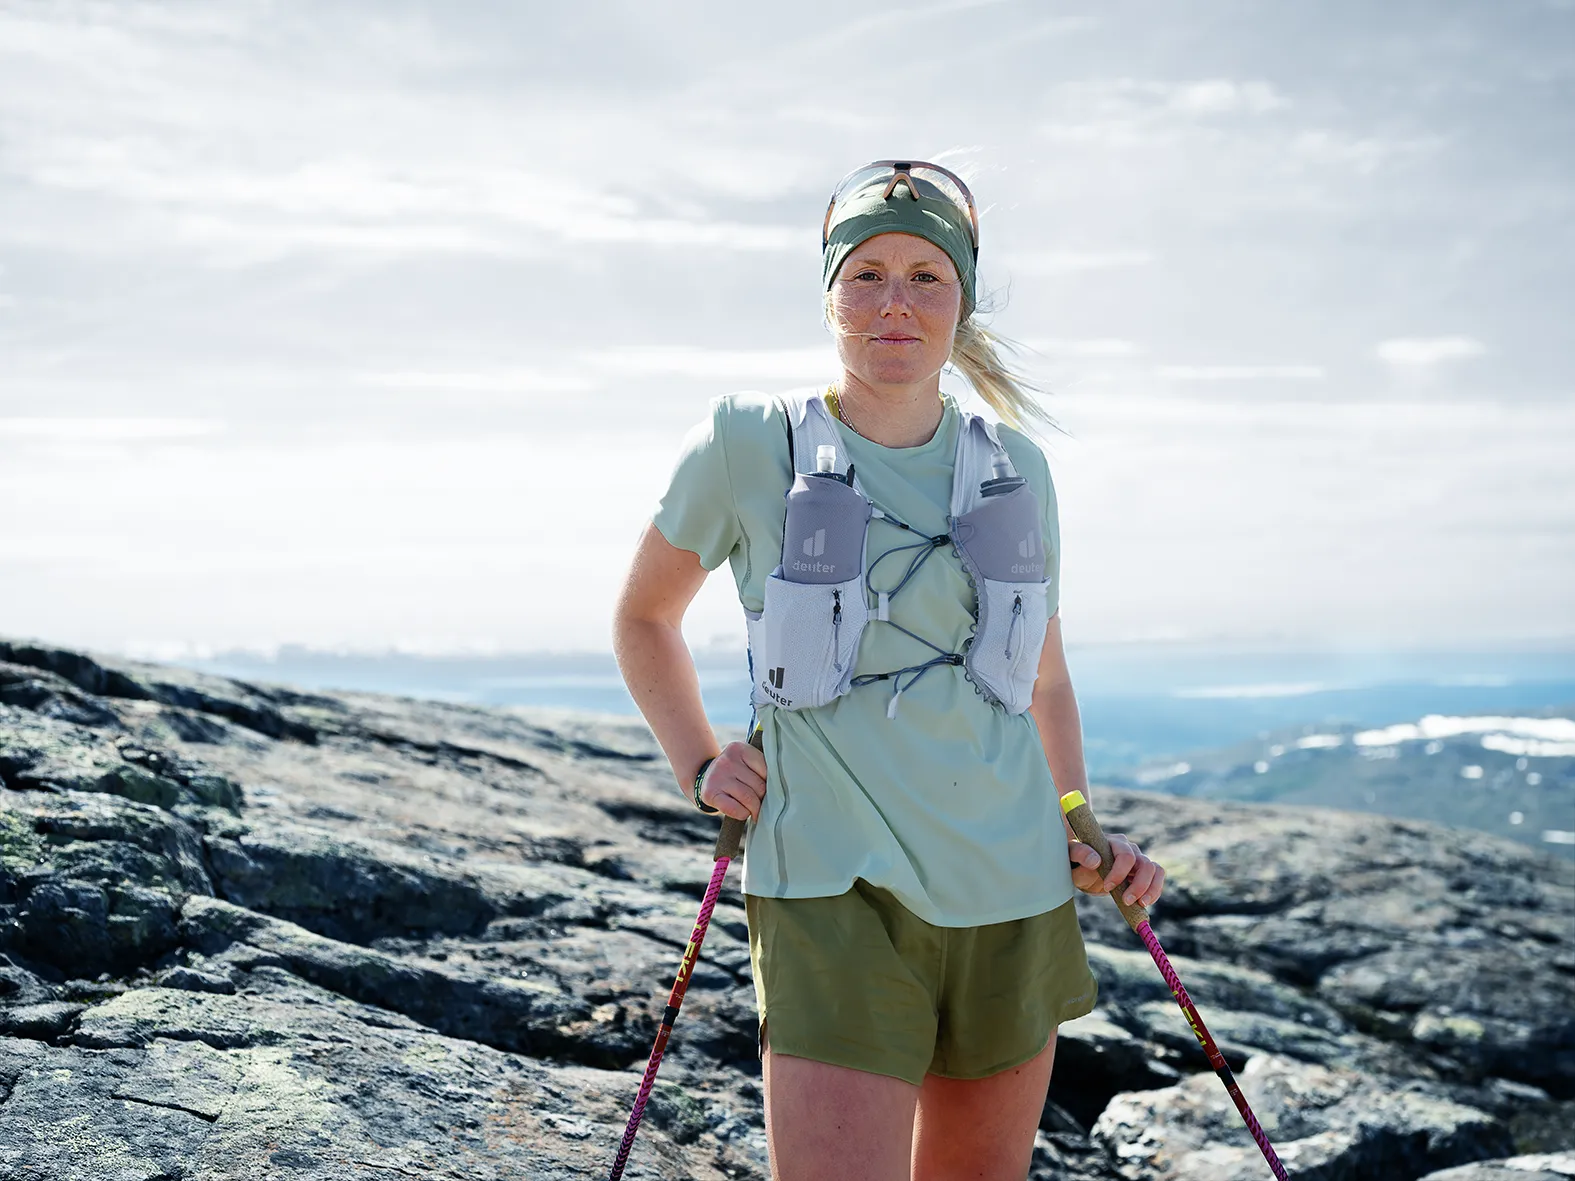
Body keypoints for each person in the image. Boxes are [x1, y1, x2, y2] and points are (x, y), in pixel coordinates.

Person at [613, 160, 1166, 1181]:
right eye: (866, 275)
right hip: (831, 885)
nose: (895, 302)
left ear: (962, 302)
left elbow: (1042, 681)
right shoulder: (747, 442)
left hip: (1013, 890)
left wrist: (1079, 818)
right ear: (829, 292)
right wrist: (698, 762)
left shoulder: (1017, 466)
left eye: (926, 277)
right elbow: (644, 616)